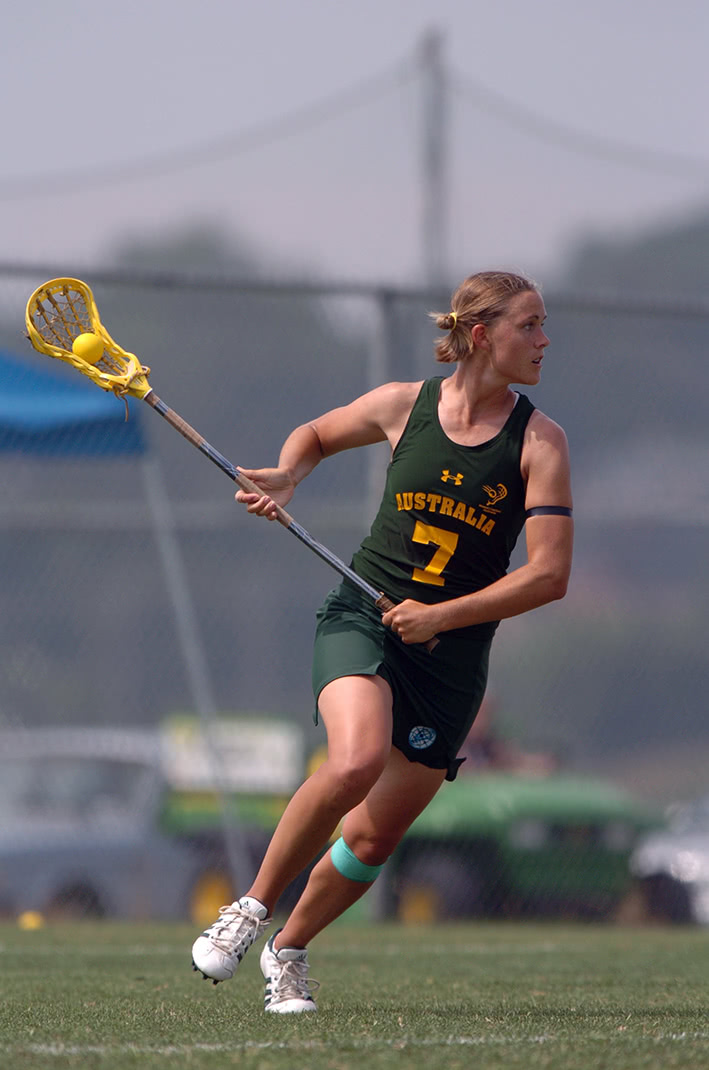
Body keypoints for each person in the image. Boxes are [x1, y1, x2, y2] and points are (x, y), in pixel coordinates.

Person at [191, 270, 573, 1013]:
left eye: (542, 325)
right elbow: (315, 434)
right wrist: (291, 473)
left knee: (371, 837)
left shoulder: (540, 442)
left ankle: (287, 949)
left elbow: (550, 576)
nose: (543, 340)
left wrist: (442, 617)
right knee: (356, 759)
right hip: (362, 616)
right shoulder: (404, 405)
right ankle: (249, 910)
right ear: (480, 335)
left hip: (450, 655)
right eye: (529, 326)